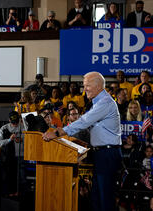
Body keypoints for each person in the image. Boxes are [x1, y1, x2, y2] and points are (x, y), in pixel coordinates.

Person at [43, 72, 122, 211]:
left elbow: (84, 122)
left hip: (107, 154)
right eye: (84, 86)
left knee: (105, 198)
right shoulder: (97, 103)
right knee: (97, 197)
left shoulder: (105, 103)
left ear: (98, 86)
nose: (84, 89)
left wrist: (57, 132)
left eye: (87, 86)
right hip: (101, 154)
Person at [0, 111, 26, 196]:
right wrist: (10, 139)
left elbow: (31, 140)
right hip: (9, 157)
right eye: (13, 123)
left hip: (21, 155)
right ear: (9, 120)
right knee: (9, 177)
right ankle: (9, 194)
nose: (15, 125)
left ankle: (22, 196)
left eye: (16, 122)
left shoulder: (24, 127)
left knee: (22, 178)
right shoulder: (4, 128)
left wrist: (22, 139)